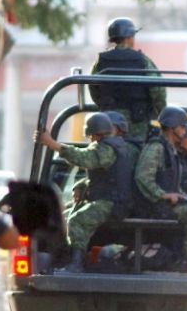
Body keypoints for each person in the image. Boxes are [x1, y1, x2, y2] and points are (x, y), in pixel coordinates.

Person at [35, 112, 134, 272]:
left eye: (91, 136)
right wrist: (82, 186)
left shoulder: (108, 148)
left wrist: (52, 144)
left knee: (77, 220)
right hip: (107, 199)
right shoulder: (110, 145)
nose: (90, 139)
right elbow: (104, 176)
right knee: (63, 216)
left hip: (112, 203)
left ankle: (76, 264)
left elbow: (85, 159)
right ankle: (62, 258)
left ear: (94, 133)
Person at [134, 106, 187, 273]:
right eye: (182, 127)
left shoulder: (172, 150)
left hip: (166, 204)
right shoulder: (157, 148)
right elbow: (142, 177)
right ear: (173, 128)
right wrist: (163, 195)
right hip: (155, 206)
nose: (184, 130)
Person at [89, 17, 166, 140]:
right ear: (129, 37)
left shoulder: (101, 61)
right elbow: (157, 91)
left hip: (109, 121)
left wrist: (104, 106)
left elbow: (93, 88)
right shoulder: (143, 60)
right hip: (137, 122)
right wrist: (161, 114)